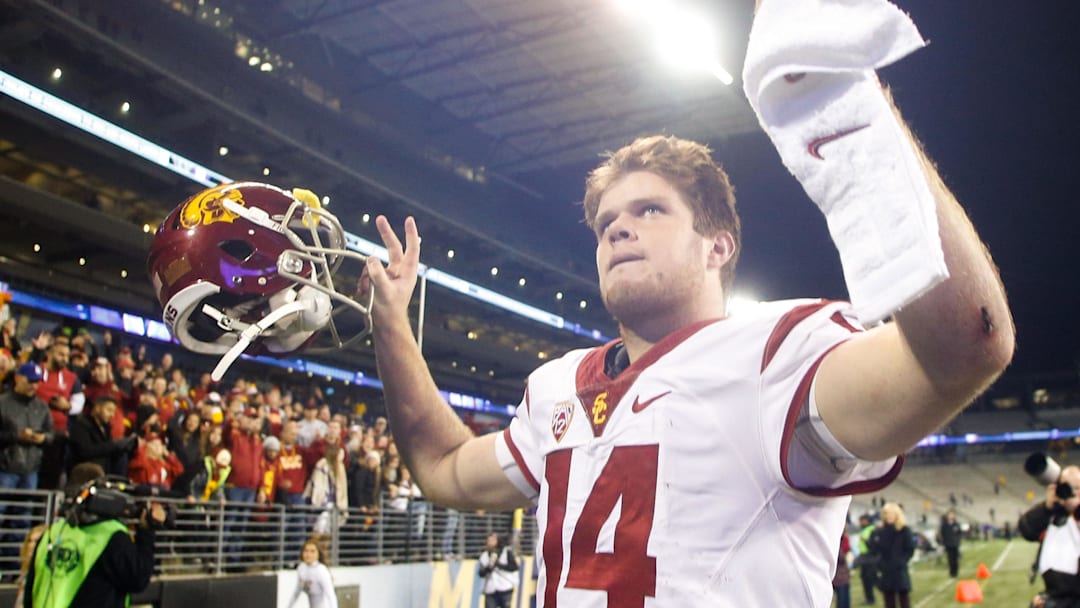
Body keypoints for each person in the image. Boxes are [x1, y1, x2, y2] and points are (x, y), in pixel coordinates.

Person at [358, 0, 1015, 603]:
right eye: (606, 219)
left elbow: (964, 347)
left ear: (718, 246)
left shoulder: (774, 358)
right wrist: (391, 325)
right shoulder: (554, 390)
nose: (618, 227)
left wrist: (848, 115)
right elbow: (440, 468)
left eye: (649, 209)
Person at [23, 461, 167, 608]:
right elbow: (138, 579)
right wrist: (147, 530)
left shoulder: (51, 534)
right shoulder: (111, 535)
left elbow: (30, 591)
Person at [1019, 464, 1080, 607]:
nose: (1071, 492)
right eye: (1066, 487)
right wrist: (1046, 507)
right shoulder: (1052, 512)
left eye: (1076, 488)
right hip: (1057, 594)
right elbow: (1027, 530)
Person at [869, 503, 916, 608]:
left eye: (891, 513)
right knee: (889, 599)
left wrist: (902, 561)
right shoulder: (879, 531)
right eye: (887, 513)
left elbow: (910, 549)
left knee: (904, 599)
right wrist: (879, 563)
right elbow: (874, 549)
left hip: (900, 570)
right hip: (885, 570)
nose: (889, 516)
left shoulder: (904, 530)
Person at [288, 538, 337, 608]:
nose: (308, 554)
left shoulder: (321, 571)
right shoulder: (301, 568)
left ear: (318, 554)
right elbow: (297, 592)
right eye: (306, 551)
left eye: (312, 551)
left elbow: (330, 595)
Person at [478, 533, 519, 608]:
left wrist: (499, 565)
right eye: (489, 540)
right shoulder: (484, 555)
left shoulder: (506, 552)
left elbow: (514, 567)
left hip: (505, 587)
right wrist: (488, 568)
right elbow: (481, 573)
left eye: (493, 540)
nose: (491, 542)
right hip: (490, 589)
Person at [855, 514, 879, 605]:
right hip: (864, 557)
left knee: (869, 579)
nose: (860, 523)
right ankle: (869, 598)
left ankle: (871, 598)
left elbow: (873, 544)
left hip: (869, 557)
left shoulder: (872, 530)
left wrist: (865, 540)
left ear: (866, 520)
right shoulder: (865, 530)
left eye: (862, 520)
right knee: (866, 578)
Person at [939, 510, 963, 577]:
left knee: (955, 559)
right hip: (948, 544)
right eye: (949, 515)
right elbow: (942, 534)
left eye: (952, 515)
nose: (950, 516)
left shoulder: (956, 524)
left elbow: (960, 533)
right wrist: (943, 543)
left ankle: (956, 572)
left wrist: (958, 540)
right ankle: (951, 573)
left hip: (955, 544)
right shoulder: (944, 525)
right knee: (950, 559)